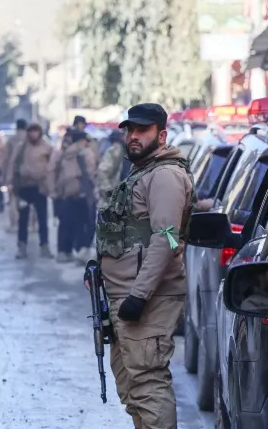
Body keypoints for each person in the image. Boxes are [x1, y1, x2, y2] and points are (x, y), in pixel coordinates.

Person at [86, 103, 193, 429]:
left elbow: (167, 238)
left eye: (142, 130)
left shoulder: (164, 176)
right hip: (124, 295)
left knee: (147, 382)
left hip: (146, 299)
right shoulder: (143, 172)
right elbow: (133, 233)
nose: (133, 136)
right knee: (132, 387)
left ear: (161, 134)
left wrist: (139, 295)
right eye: (130, 130)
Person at [52, 129, 98, 263]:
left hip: (67, 193)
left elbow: (56, 172)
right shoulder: (87, 153)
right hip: (83, 193)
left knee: (67, 223)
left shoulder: (64, 154)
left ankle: (64, 252)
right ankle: (82, 251)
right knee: (87, 223)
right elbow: (91, 173)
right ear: (83, 141)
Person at [11, 123, 55, 259]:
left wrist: (51, 185)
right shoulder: (21, 147)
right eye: (31, 131)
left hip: (40, 187)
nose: (33, 134)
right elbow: (13, 165)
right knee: (23, 219)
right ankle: (22, 247)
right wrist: (11, 182)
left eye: (36, 131)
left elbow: (52, 166)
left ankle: (44, 246)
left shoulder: (47, 147)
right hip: (24, 187)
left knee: (42, 218)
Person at [2, 119, 28, 233]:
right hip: (28, 174)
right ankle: (31, 224)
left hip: (13, 174)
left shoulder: (11, 140)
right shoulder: (30, 139)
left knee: (13, 199)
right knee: (29, 200)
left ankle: (14, 223)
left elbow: (6, 159)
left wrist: (5, 176)